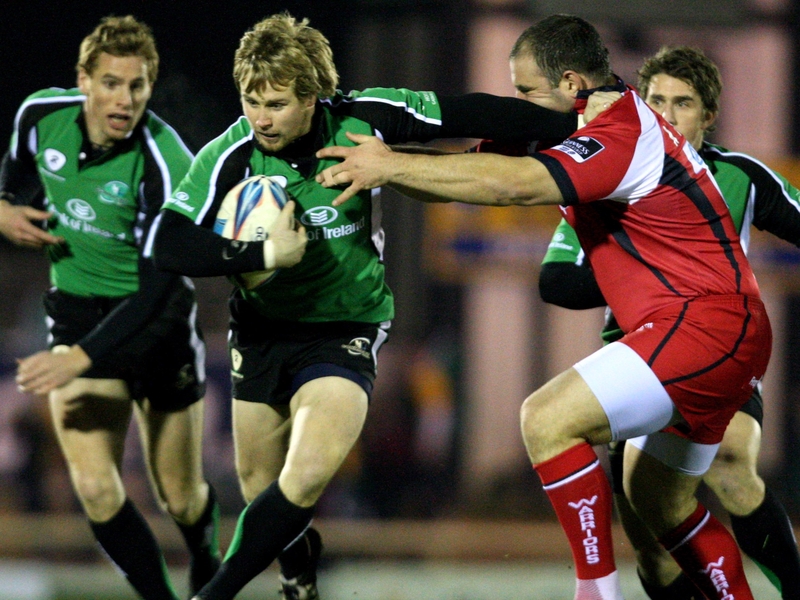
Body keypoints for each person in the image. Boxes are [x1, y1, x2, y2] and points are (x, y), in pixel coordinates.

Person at [316, 14, 774, 600]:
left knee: (547, 419)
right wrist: (377, 160)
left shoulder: (623, 130)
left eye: (527, 90)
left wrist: (390, 164)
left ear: (571, 83)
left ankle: (595, 594)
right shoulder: (581, 124)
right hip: (714, 330)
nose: (521, 104)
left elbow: (511, 185)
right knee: (659, 502)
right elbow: (465, 169)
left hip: (706, 325)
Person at [149, 12, 582, 600]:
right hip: (262, 331)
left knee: (306, 474)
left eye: (276, 103)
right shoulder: (231, 152)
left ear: (312, 96)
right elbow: (167, 243)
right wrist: (258, 252)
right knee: (260, 489)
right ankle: (298, 568)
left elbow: (469, 112)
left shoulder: (365, 117)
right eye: (251, 101)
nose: (260, 118)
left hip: (345, 328)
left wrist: (578, 123)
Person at [540, 45, 800, 600]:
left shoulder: (740, 175)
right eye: (655, 100)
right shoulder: (607, 175)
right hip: (637, 360)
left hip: (714, 350)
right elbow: (556, 281)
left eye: (683, 103)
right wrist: (647, 272)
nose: (666, 114)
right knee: (653, 547)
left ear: (709, 116)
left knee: (731, 461)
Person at [2, 16, 221, 599]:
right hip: (77, 312)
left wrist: (79, 358)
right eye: (111, 83)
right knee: (97, 490)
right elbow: (16, 173)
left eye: (137, 85)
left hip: (156, 324)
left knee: (180, 496)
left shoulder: (166, 161)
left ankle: (205, 555)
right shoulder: (39, 115)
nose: (125, 99)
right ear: (83, 81)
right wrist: (4, 205)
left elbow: (157, 288)